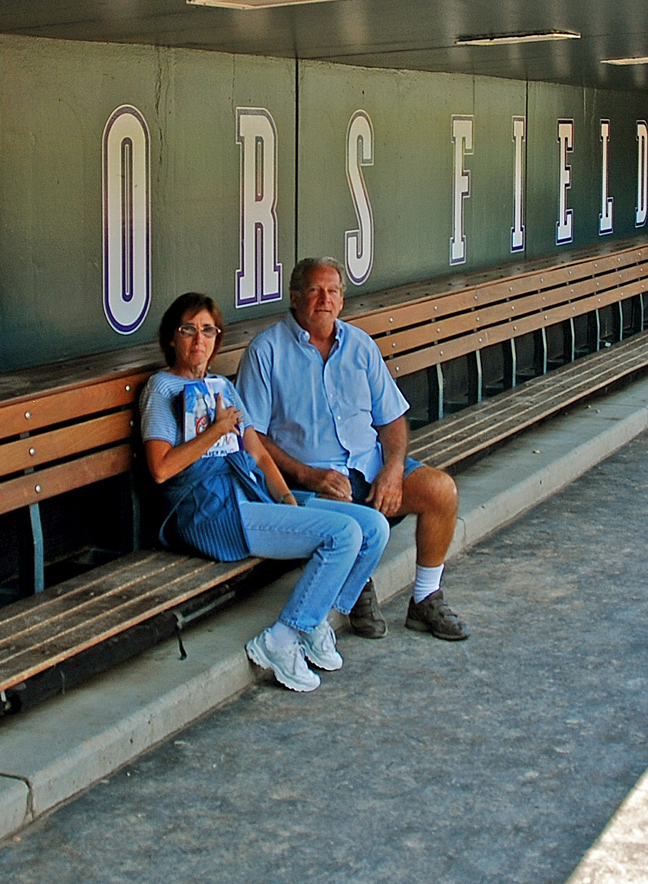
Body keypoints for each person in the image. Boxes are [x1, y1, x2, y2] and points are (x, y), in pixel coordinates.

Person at [139, 292, 390, 692]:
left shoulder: (223, 386)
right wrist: (217, 432)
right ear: (172, 337)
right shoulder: (162, 389)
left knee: (373, 527)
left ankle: (316, 618)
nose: (198, 340)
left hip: (251, 492)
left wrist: (290, 503)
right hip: (210, 511)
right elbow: (161, 468)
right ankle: (283, 638)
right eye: (188, 330)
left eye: (208, 331)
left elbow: (257, 456)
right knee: (342, 535)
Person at [236, 257, 469, 641]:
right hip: (312, 481)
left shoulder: (359, 345)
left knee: (440, 490)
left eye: (333, 291)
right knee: (346, 514)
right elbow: (253, 436)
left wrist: (393, 469)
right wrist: (307, 474)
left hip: (370, 468)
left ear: (342, 300)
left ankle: (426, 598)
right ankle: (357, 588)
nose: (324, 299)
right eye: (314, 290)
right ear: (295, 297)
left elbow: (391, 419)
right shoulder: (267, 351)